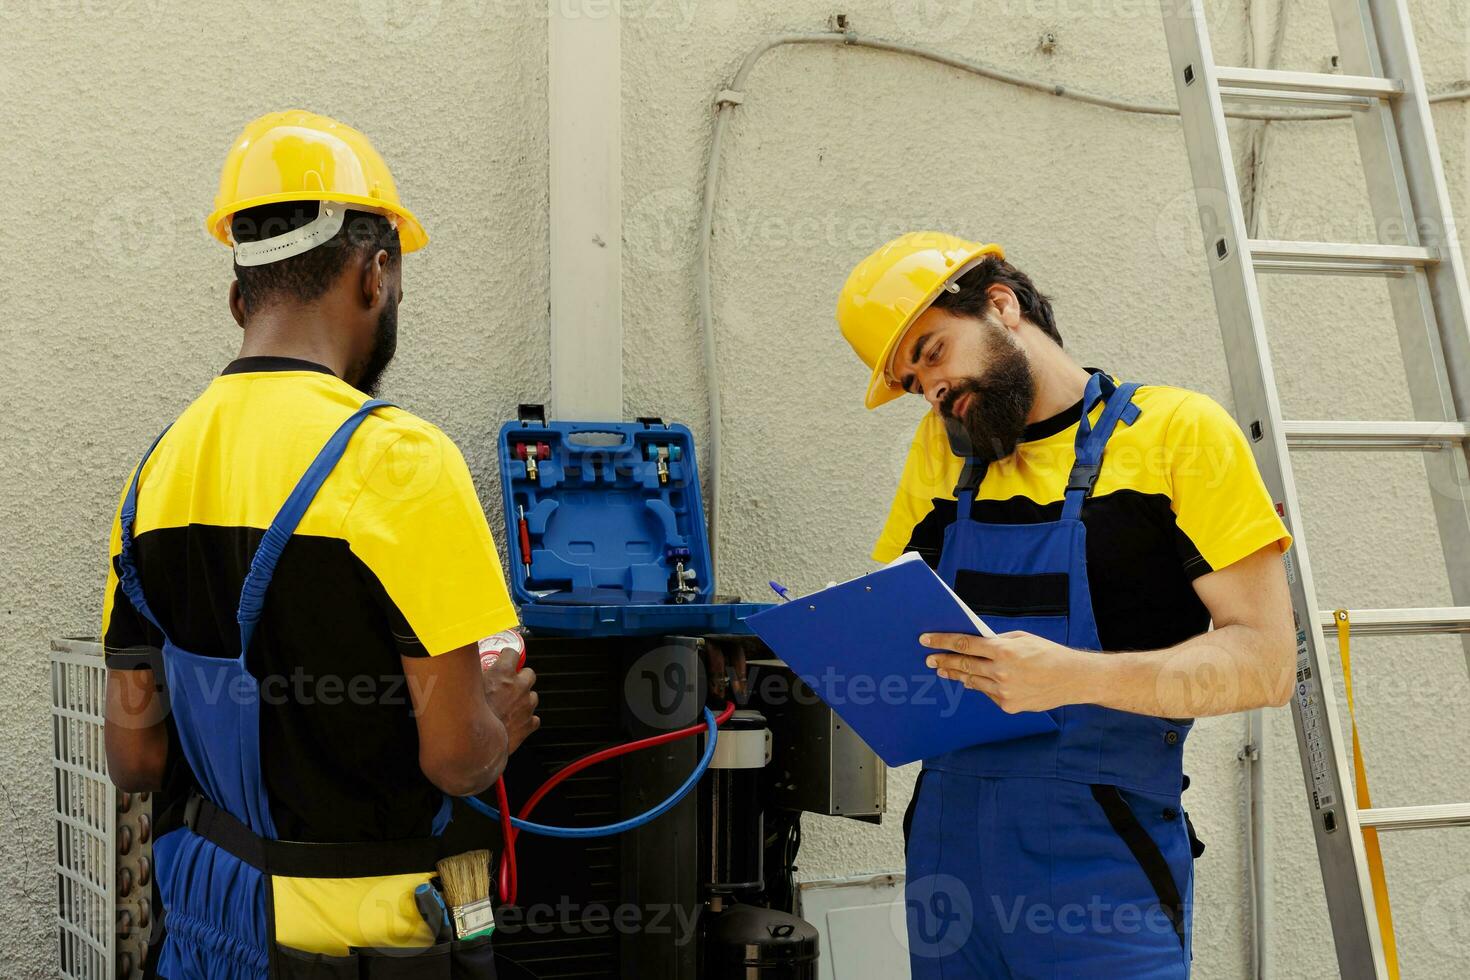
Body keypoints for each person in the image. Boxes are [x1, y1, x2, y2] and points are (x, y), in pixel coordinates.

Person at [101, 110, 539, 979]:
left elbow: (135, 756)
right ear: (375, 276)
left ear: (238, 297)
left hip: (204, 922)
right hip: (356, 941)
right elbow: (455, 758)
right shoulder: (400, 461)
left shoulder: (155, 474)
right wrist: (500, 719)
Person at [836, 232, 1296, 979]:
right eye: (914, 383)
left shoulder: (1179, 433)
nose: (934, 391)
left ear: (1001, 305)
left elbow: (1266, 665)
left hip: (1102, 867)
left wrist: (1072, 678)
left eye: (933, 352)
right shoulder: (940, 453)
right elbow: (899, 630)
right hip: (949, 868)